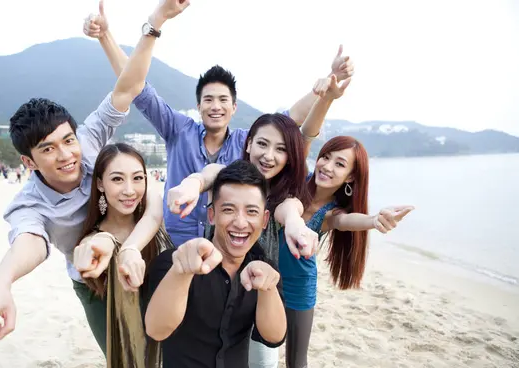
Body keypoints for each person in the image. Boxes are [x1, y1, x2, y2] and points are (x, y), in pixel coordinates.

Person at [0, 1, 189, 368]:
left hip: (141, 258)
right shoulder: (30, 203)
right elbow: (30, 241)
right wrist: (0, 282)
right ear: (27, 161)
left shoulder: (87, 144)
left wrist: (154, 22)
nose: (67, 155)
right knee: (121, 362)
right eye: (48, 149)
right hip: (93, 282)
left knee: (161, 355)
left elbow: (129, 87)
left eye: (67, 141)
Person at [83, 4, 355, 247]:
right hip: (175, 243)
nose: (216, 106)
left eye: (223, 100)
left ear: (234, 108)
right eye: (208, 100)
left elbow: (289, 118)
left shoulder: (247, 142)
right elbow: (136, 88)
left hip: (223, 247)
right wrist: (106, 37)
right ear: (198, 106)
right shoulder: (178, 130)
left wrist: (329, 82)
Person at [165, 75, 352, 368]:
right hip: (218, 287)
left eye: (280, 149)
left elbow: (290, 211)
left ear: (290, 157)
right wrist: (191, 185)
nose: (269, 155)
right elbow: (209, 174)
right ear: (247, 143)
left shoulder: (285, 194)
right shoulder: (231, 174)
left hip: (261, 291)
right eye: (262, 144)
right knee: (213, 365)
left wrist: (296, 227)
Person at [278, 134, 414, 368]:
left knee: (296, 365)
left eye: (340, 164)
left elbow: (347, 222)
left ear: (351, 177)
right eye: (326, 157)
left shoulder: (332, 213)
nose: (327, 166)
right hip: (266, 280)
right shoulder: (294, 184)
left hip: (298, 289)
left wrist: (375, 220)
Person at [145, 160, 287, 368]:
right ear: (211, 214)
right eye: (228, 209)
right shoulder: (175, 262)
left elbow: (274, 337)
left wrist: (269, 289)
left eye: (251, 211)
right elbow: (157, 330)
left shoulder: (264, 271)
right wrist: (181, 272)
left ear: (264, 220)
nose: (240, 223)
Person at [73, 143, 174, 368]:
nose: (129, 190)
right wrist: (94, 247)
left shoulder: (154, 225)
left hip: (165, 345)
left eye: (137, 178)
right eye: (117, 179)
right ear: (99, 184)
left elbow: (153, 210)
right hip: (125, 350)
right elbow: (92, 247)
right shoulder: (96, 241)